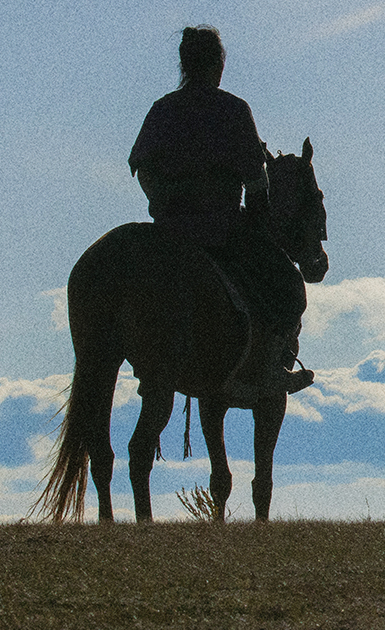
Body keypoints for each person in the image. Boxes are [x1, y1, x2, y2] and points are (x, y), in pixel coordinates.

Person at [128, 25, 313, 398]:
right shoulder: (232, 109)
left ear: (183, 64)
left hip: (169, 228)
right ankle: (274, 370)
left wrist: (163, 201)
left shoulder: (163, 109)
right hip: (221, 227)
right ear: (218, 65)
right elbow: (256, 181)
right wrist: (259, 218)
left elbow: (142, 168)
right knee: (289, 288)